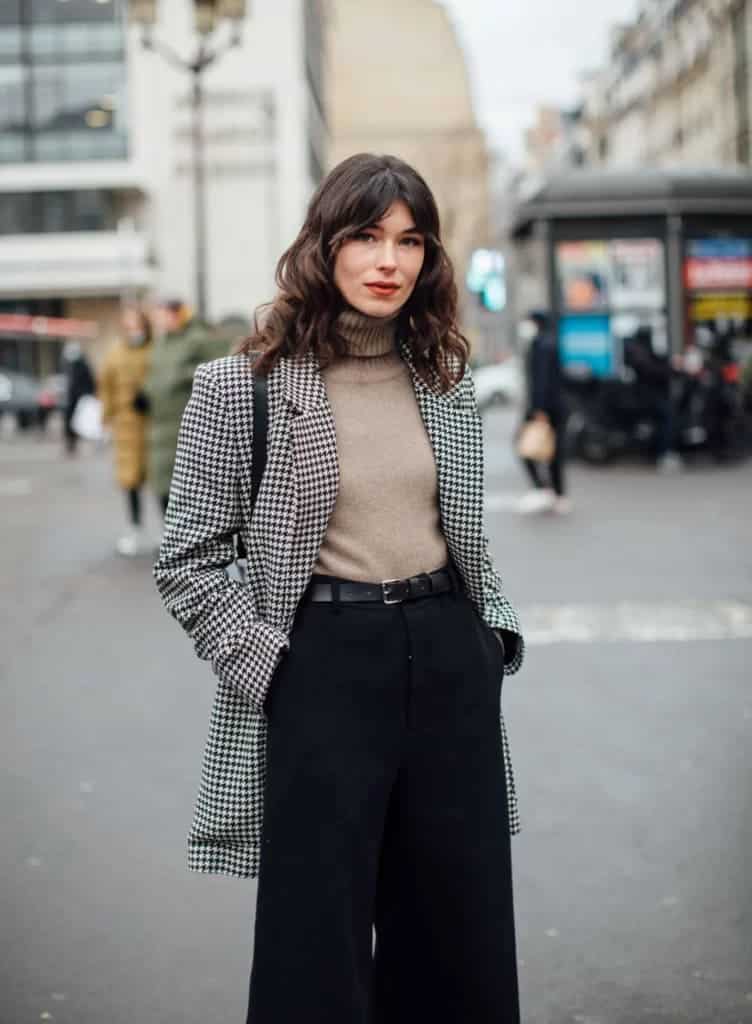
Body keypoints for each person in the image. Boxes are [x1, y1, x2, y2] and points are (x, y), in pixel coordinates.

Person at [153, 153, 525, 1024]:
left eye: (410, 241)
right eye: (365, 236)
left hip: (446, 661)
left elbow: (464, 532)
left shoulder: (446, 378)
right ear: (325, 245)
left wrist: (490, 635)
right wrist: (271, 671)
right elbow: (189, 560)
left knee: (459, 936)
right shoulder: (238, 385)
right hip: (319, 665)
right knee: (312, 946)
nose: (388, 260)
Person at [139, 298, 226, 515]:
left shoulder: (197, 339)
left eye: (161, 314)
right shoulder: (162, 342)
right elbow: (156, 375)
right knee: (162, 489)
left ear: (176, 314)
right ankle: (170, 538)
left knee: (188, 491)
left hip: (186, 426)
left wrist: (182, 376)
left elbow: (219, 369)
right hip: (160, 426)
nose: (157, 320)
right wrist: (146, 392)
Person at [97, 307, 154, 557]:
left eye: (137, 326)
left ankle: (167, 532)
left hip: (152, 426)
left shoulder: (154, 351)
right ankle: (135, 528)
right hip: (125, 428)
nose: (134, 331)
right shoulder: (114, 354)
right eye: (129, 327)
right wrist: (106, 419)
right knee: (130, 481)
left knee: (162, 481)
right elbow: (106, 387)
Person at [517, 310, 570, 514]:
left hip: (544, 407)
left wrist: (539, 409)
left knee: (530, 448)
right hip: (550, 406)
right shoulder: (547, 342)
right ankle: (555, 493)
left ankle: (548, 491)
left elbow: (543, 380)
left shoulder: (543, 345)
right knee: (551, 450)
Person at [623, 324, 679, 472]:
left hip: (648, 395)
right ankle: (664, 454)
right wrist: (671, 370)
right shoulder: (639, 353)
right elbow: (651, 370)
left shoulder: (642, 350)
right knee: (667, 417)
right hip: (646, 397)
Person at [61, 340, 95, 455]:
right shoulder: (70, 366)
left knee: (83, 423)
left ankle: (75, 445)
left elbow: (89, 383)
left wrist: (86, 396)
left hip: (81, 400)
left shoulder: (83, 366)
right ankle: (70, 446)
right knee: (70, 423)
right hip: (72, 400)